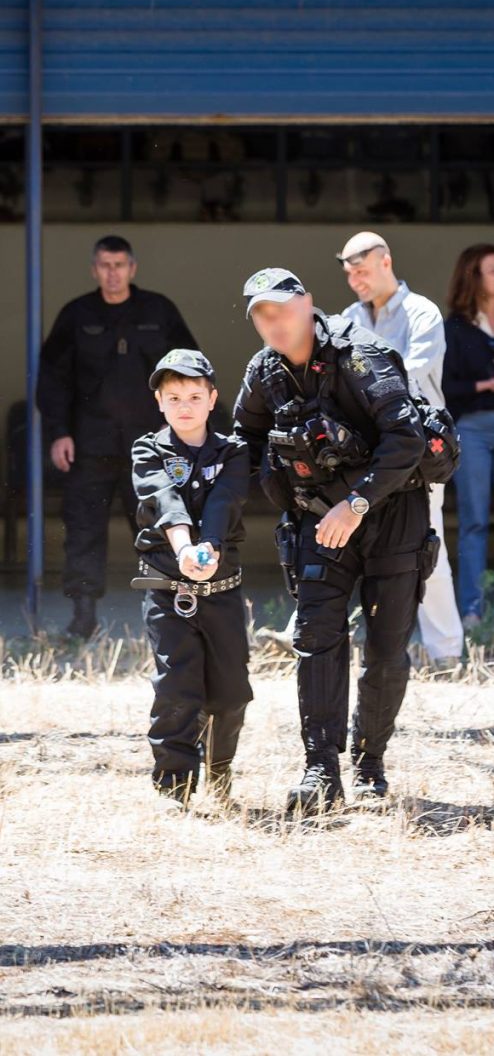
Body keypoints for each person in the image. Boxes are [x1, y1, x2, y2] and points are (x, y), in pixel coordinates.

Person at [234, 267, 430, 814]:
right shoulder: (265, 371)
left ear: (308, 303)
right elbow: (244, 443)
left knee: (386, 650)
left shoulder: (360, 355)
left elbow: (406, 438)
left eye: (282, 309)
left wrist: (356, 504)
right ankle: (321, 770)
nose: (274, 322)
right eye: (262, 315)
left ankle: (369, 764)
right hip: (318, 518)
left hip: (391, 512)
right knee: (316, 637)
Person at [37, 234, 199, 639]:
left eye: (120, 265)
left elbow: (188, 370)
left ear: (132, 268)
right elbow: (53, 379)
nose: (113, 273)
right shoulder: (77, 314)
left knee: (160, 528)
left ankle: (171, 614)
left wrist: (181, 428)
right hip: (89, 445)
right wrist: (58, 433)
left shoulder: (158, 311)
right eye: (105, 266)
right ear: (95, 270)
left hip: (150, 447)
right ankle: (83, 617)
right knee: (83, 531)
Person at [131, 348, 252, 807]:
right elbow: (164, 500)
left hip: (221, 592)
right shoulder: (147, 449)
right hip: (169, 589)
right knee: (177, 687)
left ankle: (220, 772)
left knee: (231, 692)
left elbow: (225, 501)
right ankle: (174, 786)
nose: (185, 406)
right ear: (159, 402)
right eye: (174, 397)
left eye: (195, 396)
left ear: (212, 398)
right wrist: (184, 549)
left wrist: (210, 547)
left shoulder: (233, 451)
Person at [338, 231, 463, 671]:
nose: (355, 281)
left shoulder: (421, 313)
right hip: (365, 449)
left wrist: (355, 392)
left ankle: (446, 653)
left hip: (416, 448)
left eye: (362, 271)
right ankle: (333, 636)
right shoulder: (349, 318)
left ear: (386, 262)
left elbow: (408, 376)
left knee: (427, 544)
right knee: (345, 543)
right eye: (349, 273)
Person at [442, 243, 494, 630]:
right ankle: (473, 613)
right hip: (472, 428)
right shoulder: (455, 329)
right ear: (473, 278)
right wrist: (486, 385)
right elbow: (445, 388)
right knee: (474, 521)